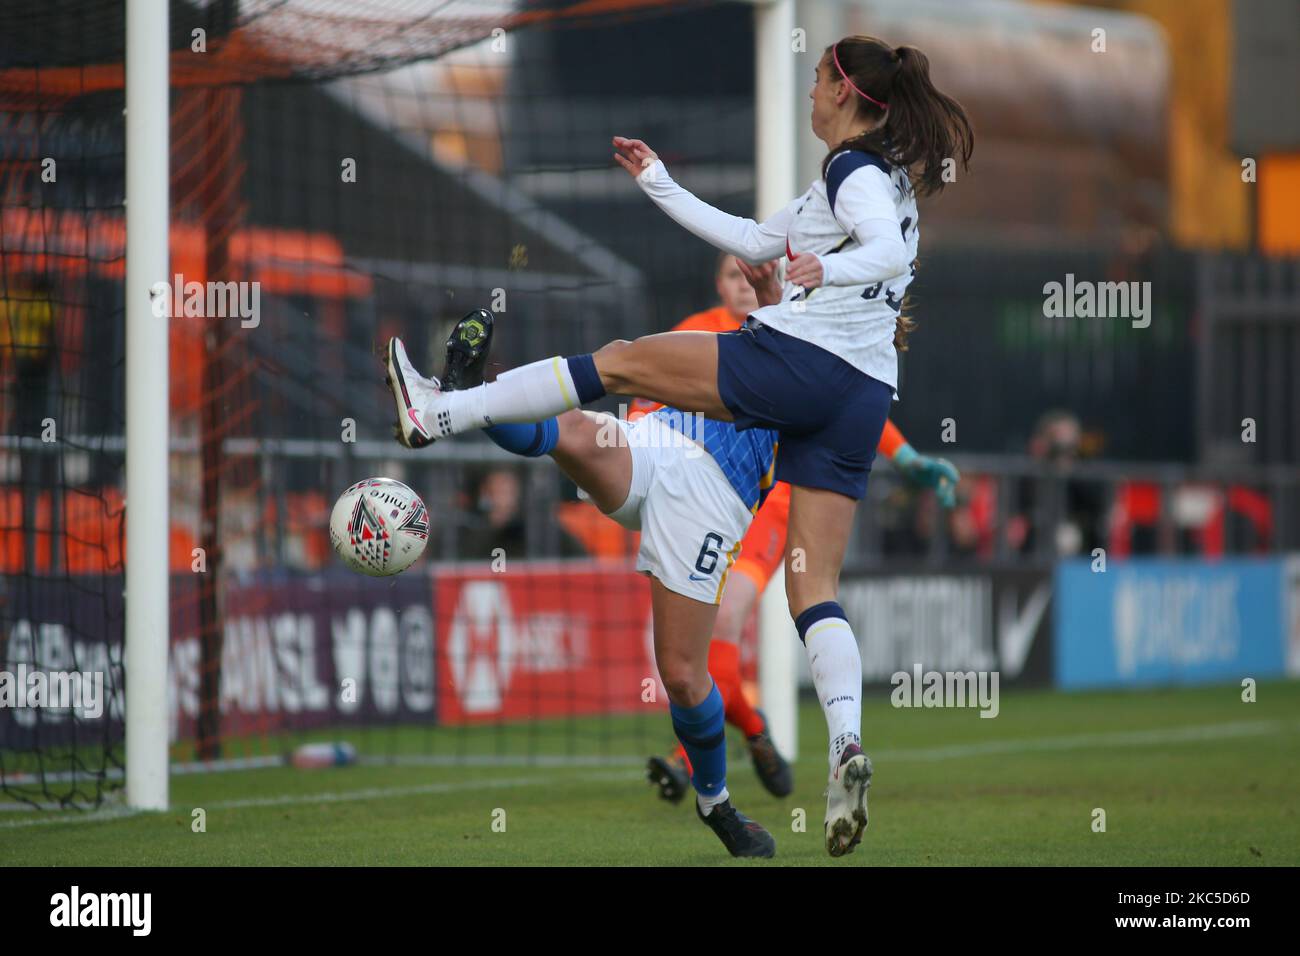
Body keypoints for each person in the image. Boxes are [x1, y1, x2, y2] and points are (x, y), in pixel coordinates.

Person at [386, 36, 973, 857]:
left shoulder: (854, 174)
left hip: (798, 379)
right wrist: (658, 180)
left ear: (844, 93)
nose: (808, 96)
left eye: (815, 82)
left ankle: (437, 413)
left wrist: (817, 279)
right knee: (814, 590)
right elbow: (752, 236)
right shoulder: (880, 181)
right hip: (859, 392)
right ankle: (846, 742)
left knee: (618, 363)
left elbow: (869, 252)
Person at [634, 254, 958, 805]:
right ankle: (755, 730)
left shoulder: (792, 326)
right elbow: (645, 393)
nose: (744, 284)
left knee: (727, 619)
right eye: (733, 276)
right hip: (699, 496)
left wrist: (905, 457)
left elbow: (850, 400)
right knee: (685, 654)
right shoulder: (697, 332)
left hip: (772, 504)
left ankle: (689, 761)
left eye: (751, 275)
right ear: (719, 283)